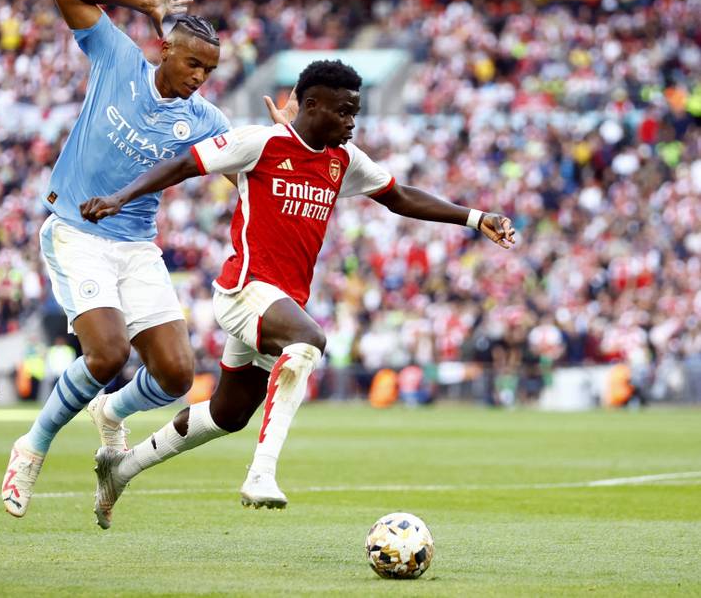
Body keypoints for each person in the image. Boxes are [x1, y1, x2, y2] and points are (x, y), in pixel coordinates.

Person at [80, 60, 516, 527]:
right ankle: (262, 472)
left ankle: (121, 470)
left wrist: (474, 217)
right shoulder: (263, 143)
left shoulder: (343, 160)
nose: (352, 122)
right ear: (312, 105)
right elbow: (188, 163)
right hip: (244, 290)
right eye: (345, 112)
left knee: (228, 414)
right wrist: (120, 198)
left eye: (356, 113)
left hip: (279, 303)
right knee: (309, 342)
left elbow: (400, 195)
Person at [1, 0, 255, 518]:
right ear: (165, 49)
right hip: (76, 231)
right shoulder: (118, 59)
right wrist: (143, 2)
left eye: (209, 71)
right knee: (109, 352)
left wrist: (282, 149)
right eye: (193, 64)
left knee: (176, 376)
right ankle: (32, 447)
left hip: (136, 245)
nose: (200, 78)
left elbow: (246, 177)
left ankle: (111, 411)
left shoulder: (204, 120)